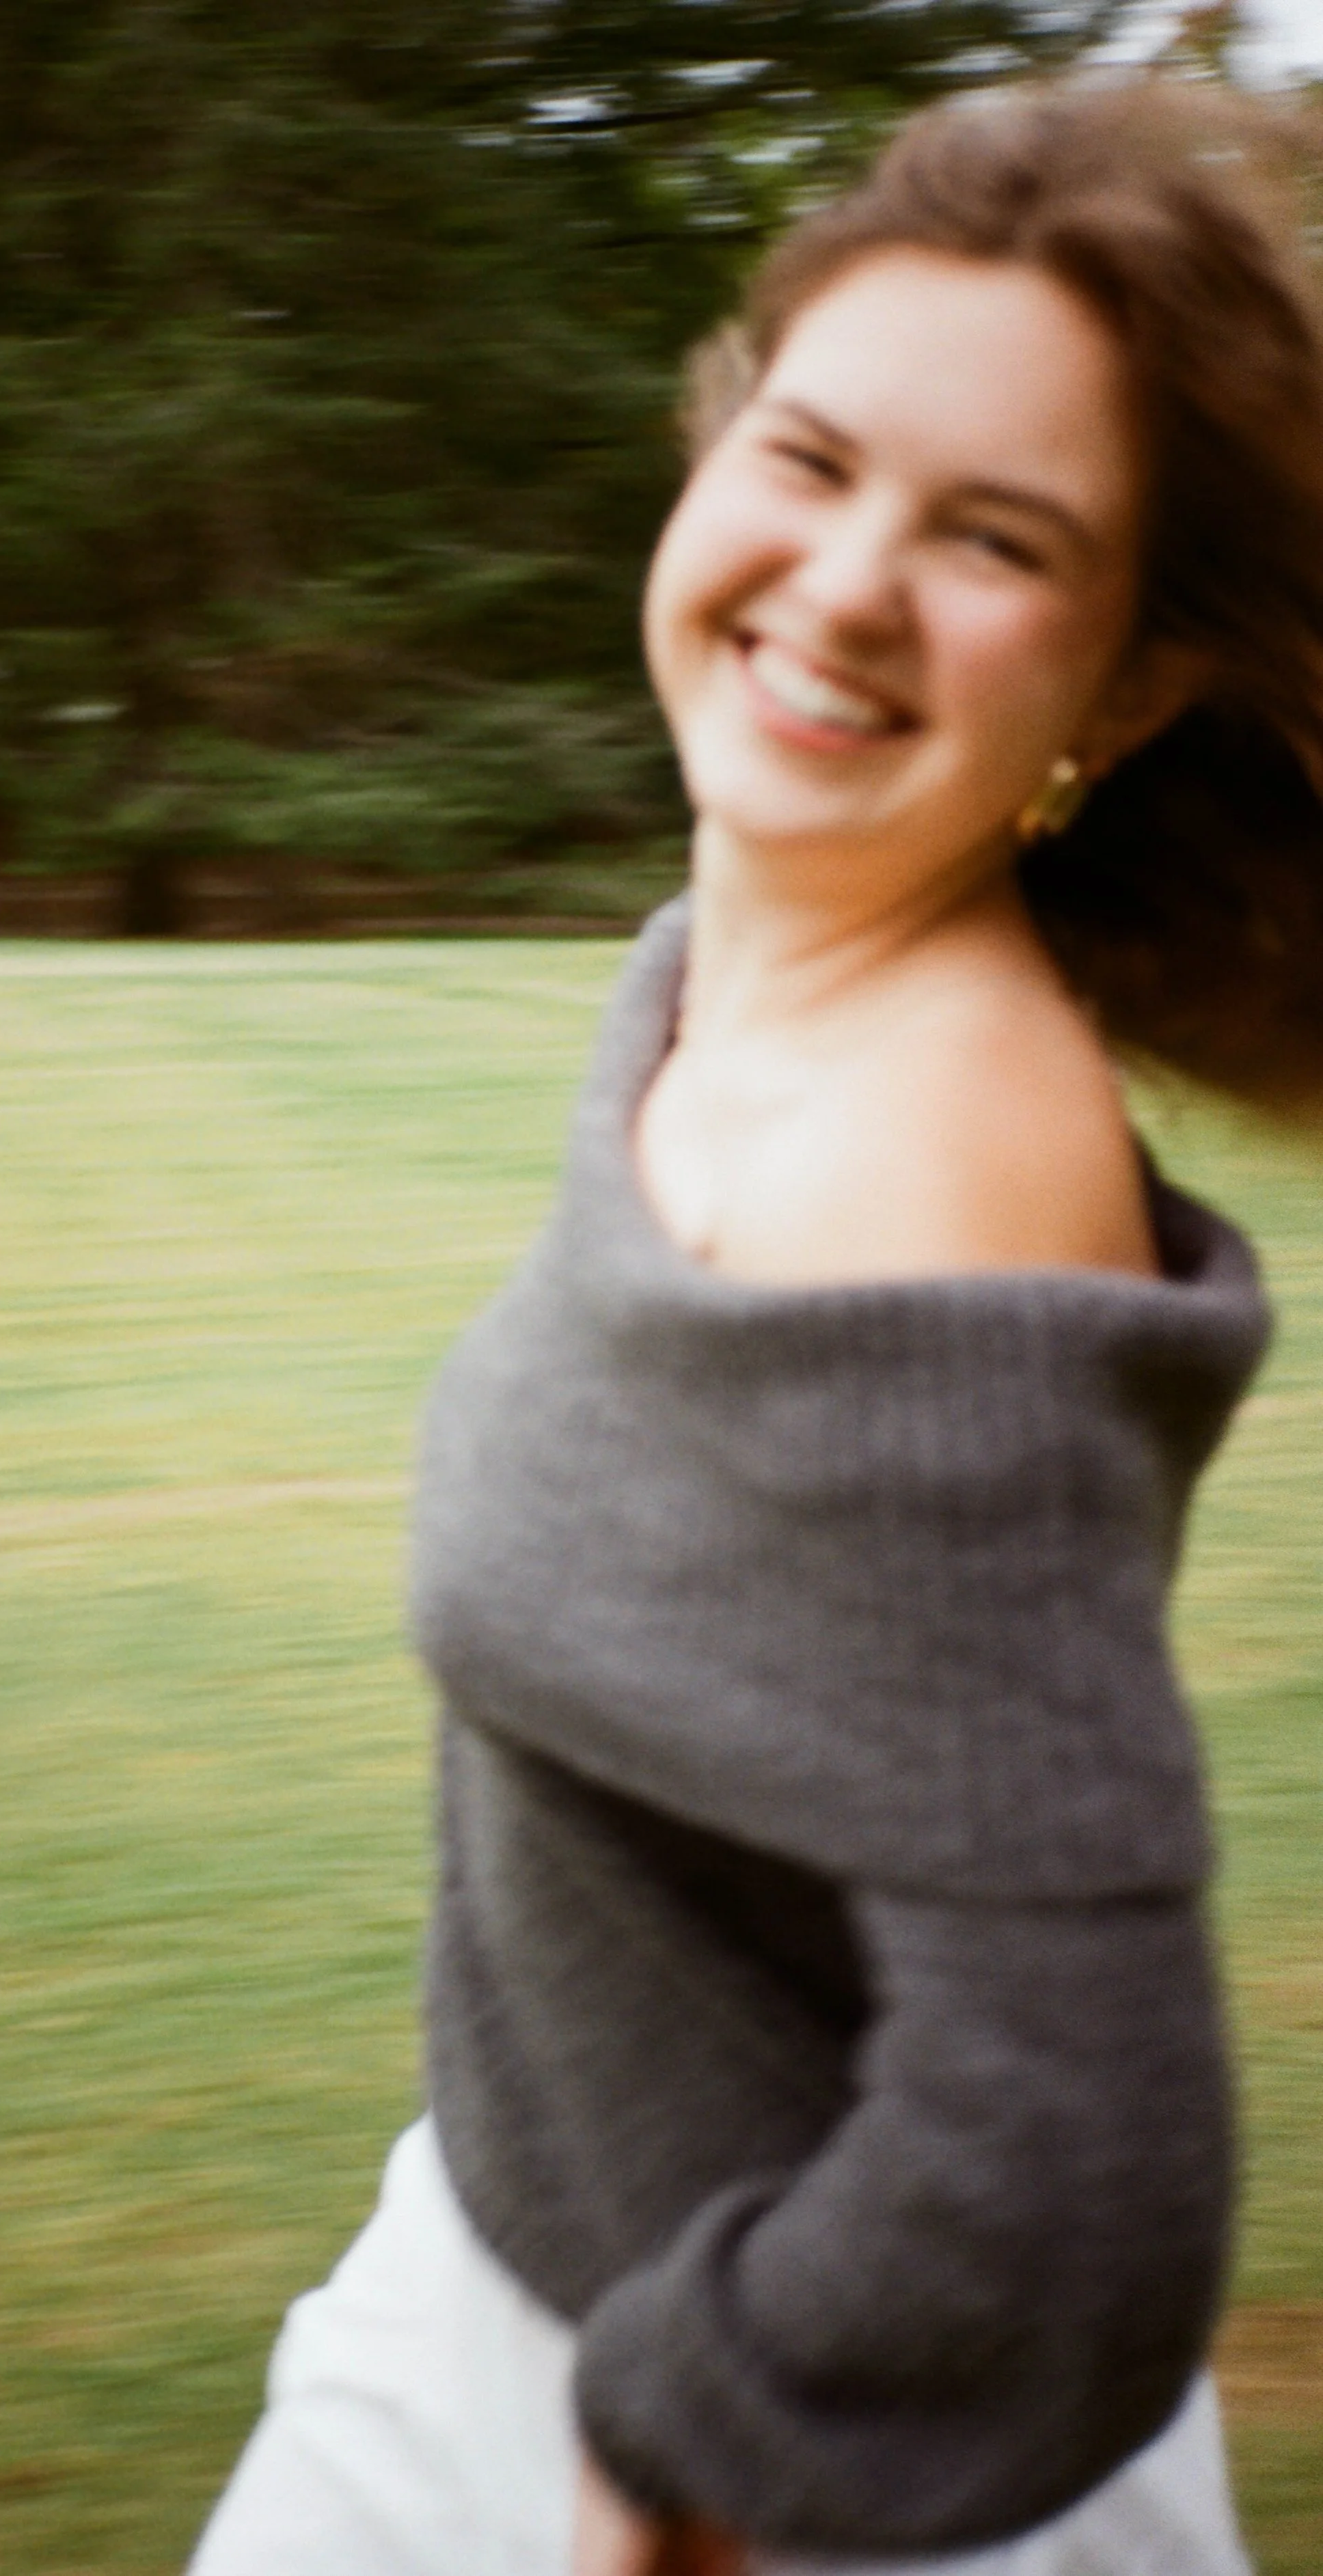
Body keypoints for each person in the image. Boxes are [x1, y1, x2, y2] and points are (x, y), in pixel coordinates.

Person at [189, 73, 1323, 2576]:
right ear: (711, 457)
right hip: (495, 2261)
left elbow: (1074, 2149)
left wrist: (713, 2425)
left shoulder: (927, 1179)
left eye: (994, 537)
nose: (841, 584)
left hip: (814, 2463)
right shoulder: (734, 977)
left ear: (1124, 693)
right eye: (811, 459)